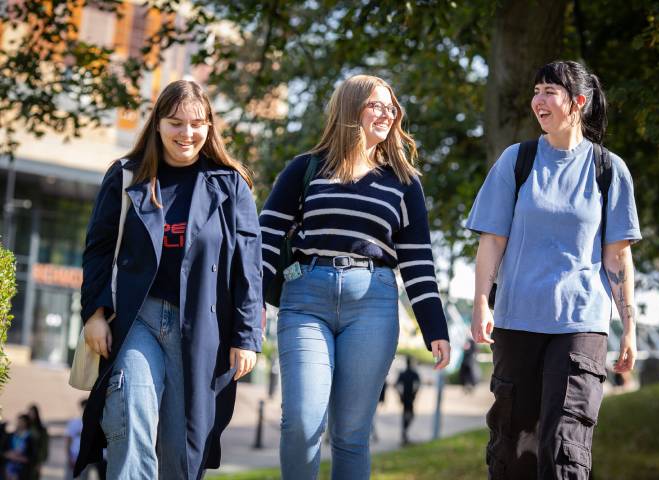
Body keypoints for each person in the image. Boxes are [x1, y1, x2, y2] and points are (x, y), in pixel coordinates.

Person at [260, 74, 451, 479]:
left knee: (350, 432)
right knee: (302, 421)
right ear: (351, 109)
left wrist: (436, 327)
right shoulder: (306, 168)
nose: (386, 113)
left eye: (390, 107)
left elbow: (418, 262)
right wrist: (252, 302)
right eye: (375, 105)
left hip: (374, 306)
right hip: (305, 300)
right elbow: (264, 239)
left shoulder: (404, 183)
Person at [77, 79, 264, 479]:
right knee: (130, 408)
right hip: (136, 321)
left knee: (181, 451)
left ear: (209, 126)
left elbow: (249, 266)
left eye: (197, 123)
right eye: (176, 122)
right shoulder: (126, 177)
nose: (187, 133)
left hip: (201, 328)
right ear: (158, 124)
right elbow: (98, 249)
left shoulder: (230, 185)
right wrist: (94, 313)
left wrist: (247, 336)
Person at [466, 60, 641, 479]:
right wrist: (479, 303)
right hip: (517, 317)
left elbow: (617, 257)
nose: (538, 101)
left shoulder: (608, 170)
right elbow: (492, 239)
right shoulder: (517, 160)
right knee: (514, 445)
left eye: (549, 92)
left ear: (577, 102)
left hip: (581, 323)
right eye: (536, 91)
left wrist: (630, 326)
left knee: (565, 446)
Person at [395, 356, 421, 445]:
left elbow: (397, 385)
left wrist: (400, 395)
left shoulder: (403, 373)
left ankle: (404, 433)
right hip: (409, 397)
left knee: (406, 414)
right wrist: (414, 394)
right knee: (410, 414)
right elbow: (417, 385)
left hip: (405, 397)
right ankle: (404, 433)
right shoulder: (414, 373)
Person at [4, 415, 35, 480]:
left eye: (21, 422)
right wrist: (8, 455)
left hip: (23, 471)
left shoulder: (30, 438)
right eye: (18, 421)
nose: (19, 423)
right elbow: (3, 451)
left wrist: (20, 458)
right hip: (9, 469)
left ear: (26, 423)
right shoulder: (10, 436)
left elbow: (33, 457)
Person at [25, 405, 47, 480]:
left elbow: (44, 446)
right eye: (30, 413)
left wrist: (40, 462)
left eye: (33, 413)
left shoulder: (41, 429)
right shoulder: (25, 427)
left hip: (35, 459)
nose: (31, 415)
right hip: (23, 459)